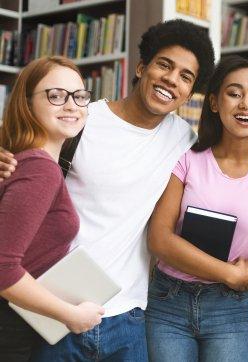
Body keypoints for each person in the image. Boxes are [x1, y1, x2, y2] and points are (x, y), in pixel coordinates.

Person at [0, 19, 248, 361]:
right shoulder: (81, 119)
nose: (172, 79)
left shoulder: (184, 141)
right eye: (164, 65)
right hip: (59, 310)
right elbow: (24, 142)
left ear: (191, 93)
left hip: (131, 317)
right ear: (142, 67)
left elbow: (230, 155)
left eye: (186, 76)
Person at [145, 55, 248, 361]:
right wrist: (226, 273)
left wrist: (236, 276)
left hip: (229, 309)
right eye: (234, 93)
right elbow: (159, 239)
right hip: (168, 303)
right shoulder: (186, 159)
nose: (246, 104)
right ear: (214, 103)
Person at [0, 56, 104, 362]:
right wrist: (70, 314)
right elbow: (3, 267)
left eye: (80, 96)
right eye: (56, 95)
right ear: (27, 103)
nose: (71, 105)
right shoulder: (39, 168)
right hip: (10, 328)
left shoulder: (23, 160)